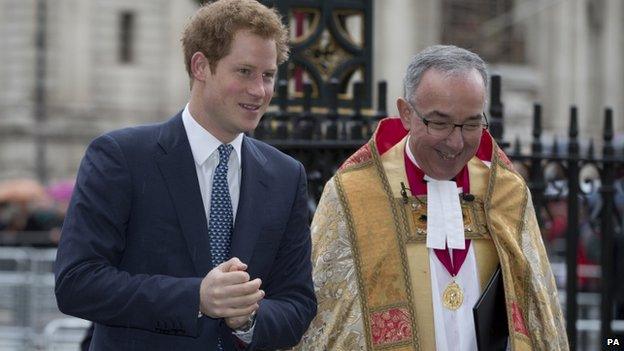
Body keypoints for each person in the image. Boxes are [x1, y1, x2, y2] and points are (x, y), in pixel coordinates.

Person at [54, 0, 316, 350]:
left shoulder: (286, 175)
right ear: (201, 66)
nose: (260, 90)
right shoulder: (122, 157)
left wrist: (249, 319)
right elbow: (76, 283)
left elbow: (298, 304)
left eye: (267, 75)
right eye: (244, 72)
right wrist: (196, 298)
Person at [295, 45, 568, 350]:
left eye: (472, 124)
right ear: (407, 114)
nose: (456, 141)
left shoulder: (506, 192)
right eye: (439, 123)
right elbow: (328, 318)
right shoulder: (355, 194)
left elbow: (536, 311)